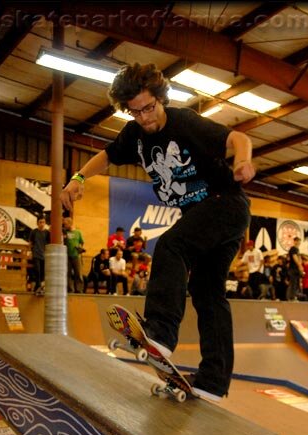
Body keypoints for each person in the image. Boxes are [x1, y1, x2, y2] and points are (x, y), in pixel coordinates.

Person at [60, 62, 254, 402]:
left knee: (171, 244)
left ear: (160, 99)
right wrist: (77, 179)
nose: (145, 118)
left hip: (226, 204)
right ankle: (214, 382)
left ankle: (161, 331)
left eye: (149, 108)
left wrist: (242, 161)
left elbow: (238, 137)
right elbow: (106, 156)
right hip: (207, 215)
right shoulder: (134, 135)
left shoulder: (184, 122)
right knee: (207, 292)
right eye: (135, 112)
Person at [28, 215, 50, 294]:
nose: (42, 224)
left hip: (44, 255)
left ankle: (41, 286)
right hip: (36, 254)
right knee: (37, 270)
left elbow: (49, 244)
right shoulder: (34, 232)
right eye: (40, 222)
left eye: (43, 222)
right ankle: (38, 285)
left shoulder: (47, 233)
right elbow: (30, 243)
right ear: (37, 223)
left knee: (43, 271)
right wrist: (30, 252)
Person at [63, 217, 85, 293]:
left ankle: (79, 289)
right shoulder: (65, 232)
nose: (64, 225)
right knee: (68, 273)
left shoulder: (78, 232)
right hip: (67, 256)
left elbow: (82, 242)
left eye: (65, 224)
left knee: (78, 273)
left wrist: (80, 248)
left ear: (70, 223)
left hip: (76, 255)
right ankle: (70, 289)